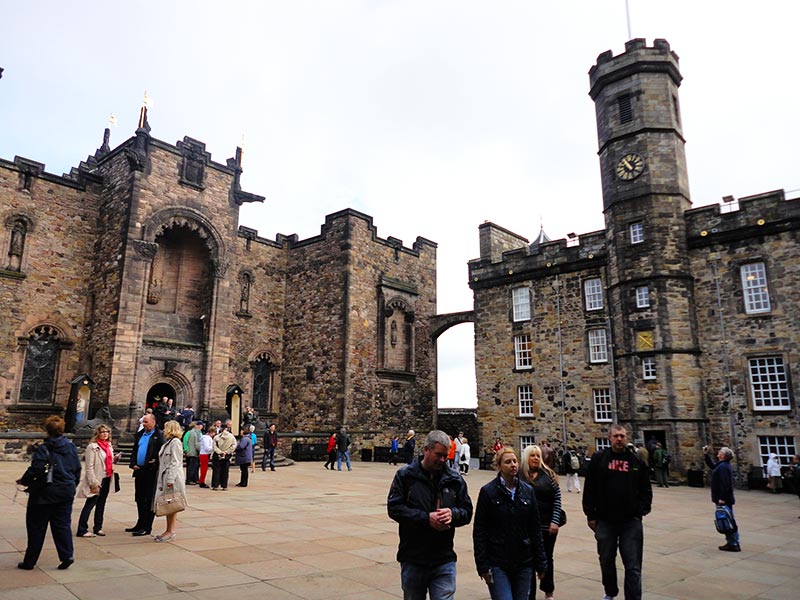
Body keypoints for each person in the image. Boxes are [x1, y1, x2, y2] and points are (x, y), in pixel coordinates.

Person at [387, 430, 473, 600]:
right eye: (439, 455)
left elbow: (467, 511)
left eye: (445, 456)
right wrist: (426, 518)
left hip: (444, 558)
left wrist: (453, 514)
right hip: (413, 558)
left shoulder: (455, 479)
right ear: (426, 449)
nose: (442, 460)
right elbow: (394, 508)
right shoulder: (405, 476)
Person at [583, 424, 652, 600]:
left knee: (633, 565)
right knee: (606, 560)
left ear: (626, 437)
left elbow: (646, 489)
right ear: (610, 438)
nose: (619, 439)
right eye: (616, 436)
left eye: (622, 436)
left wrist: (641, 510)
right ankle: (610, 592)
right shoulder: (599, 459)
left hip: (630, 521)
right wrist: (591, 515)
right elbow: (589, 488)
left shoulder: (635, 461)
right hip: (605, 520)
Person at [474, 446, 547, 600]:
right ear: (499, 466)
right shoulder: (488, 492)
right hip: (498, 561)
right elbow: (480, 530)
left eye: (515, 461)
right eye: (508, 462)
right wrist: (482, 565)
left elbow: (535, 528)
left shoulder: (527, 491)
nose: (513, 464)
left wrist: (541, 562)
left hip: (524, 561)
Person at [16, 415, 81, 570]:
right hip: (65, 491)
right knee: (62, 525)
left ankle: (30, 561)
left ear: (47, 430)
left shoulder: (44, 448)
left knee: (36, 527)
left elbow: (36, 469)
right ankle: (67, 556)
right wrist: (71, 485)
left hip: (44, 494)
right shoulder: (70, 447)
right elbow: (77, 469)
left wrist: (24, 481)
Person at [522, 445, 562, 600]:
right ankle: (529, 593)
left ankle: (548, 590)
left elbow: (557, 499)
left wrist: (555, 521)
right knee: (527, 561)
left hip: (546, 525)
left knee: (546, 558)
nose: (536, 458)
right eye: (532, 455)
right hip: (526, 527)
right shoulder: (520, 475)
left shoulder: (549, 475)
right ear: (526, 457)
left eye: (538, 456)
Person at [76, 424, 119, 537]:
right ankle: (82, 529)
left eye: (107, 432)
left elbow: (108, 462)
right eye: (102, 432)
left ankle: (98, 527)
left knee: (101, 504)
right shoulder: (92, 447)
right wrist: (93, 483)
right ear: (98, 434)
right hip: (97, 479)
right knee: (90, 504)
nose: (105, 434)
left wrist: (115, 459)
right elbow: (89, 467)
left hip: (107, 477)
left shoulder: (109, 445)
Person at [127, 413, 164, 536]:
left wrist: (155, 462)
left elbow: (162, 453)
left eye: (146, 422)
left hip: (151, 472)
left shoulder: (159, 435)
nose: (144, 424)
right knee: (139, 498)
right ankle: (140, 523)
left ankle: (147, 527)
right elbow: (135, 450)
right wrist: (133, 463)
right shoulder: (140, 435)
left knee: (148, 499)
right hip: (139, 471)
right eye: (143, 422)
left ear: (153, 422)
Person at [152, 420, 186, 542]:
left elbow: (175, 462)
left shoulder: (175, 442)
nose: (163, 430)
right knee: (169, 504)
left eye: (166, 428)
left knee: (171, 504)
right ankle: (168, 530)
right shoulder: (169, 442)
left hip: (172, 478)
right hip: (166, 477)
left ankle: (170, 531)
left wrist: (170, 479)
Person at [703, 445, 741, 551]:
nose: (718, 453)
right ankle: (732, 542)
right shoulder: (722, 465)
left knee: (727, 520)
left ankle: (734, 543)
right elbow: (712, 466)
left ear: (723, 455)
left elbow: (726, 484)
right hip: (722, 498)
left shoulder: (724, 467)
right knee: (726, 520)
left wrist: (722, 498)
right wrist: (706, 455)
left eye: (720, 452)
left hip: (724, 499)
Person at [212, 424, 236, 491]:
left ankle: (215, 485)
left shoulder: (217, 437)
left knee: (216, 470)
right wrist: (227, 452)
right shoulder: (232, 437)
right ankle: (224, 485)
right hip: (227, 456)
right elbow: (234, 445)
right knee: (225, 471)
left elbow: (214, 446)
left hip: (217, 455)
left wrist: (220, 452)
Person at [184, 420, 203, 485]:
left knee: (190, 466)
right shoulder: (198, 433)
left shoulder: (188, 432)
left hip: (189, 452)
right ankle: (191, 479)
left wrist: (186, 450)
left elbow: (185, 441)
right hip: (195, 452)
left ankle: (193, 479)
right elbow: (199, 443)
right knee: (194, 467)